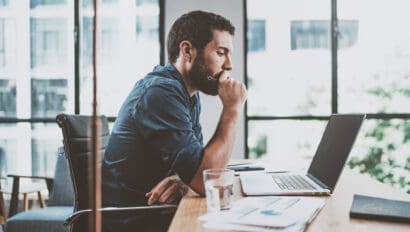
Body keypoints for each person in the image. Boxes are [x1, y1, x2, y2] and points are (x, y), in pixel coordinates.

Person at [102, 10, 246, 231]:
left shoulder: (186, 93)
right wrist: (233, 109)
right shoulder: (160, 93)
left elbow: (196, 165)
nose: (229, 65)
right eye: (220, 52)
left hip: (155, 212)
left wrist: (181, 178)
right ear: (187, 50)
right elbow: (204, 179)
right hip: (132, 220)